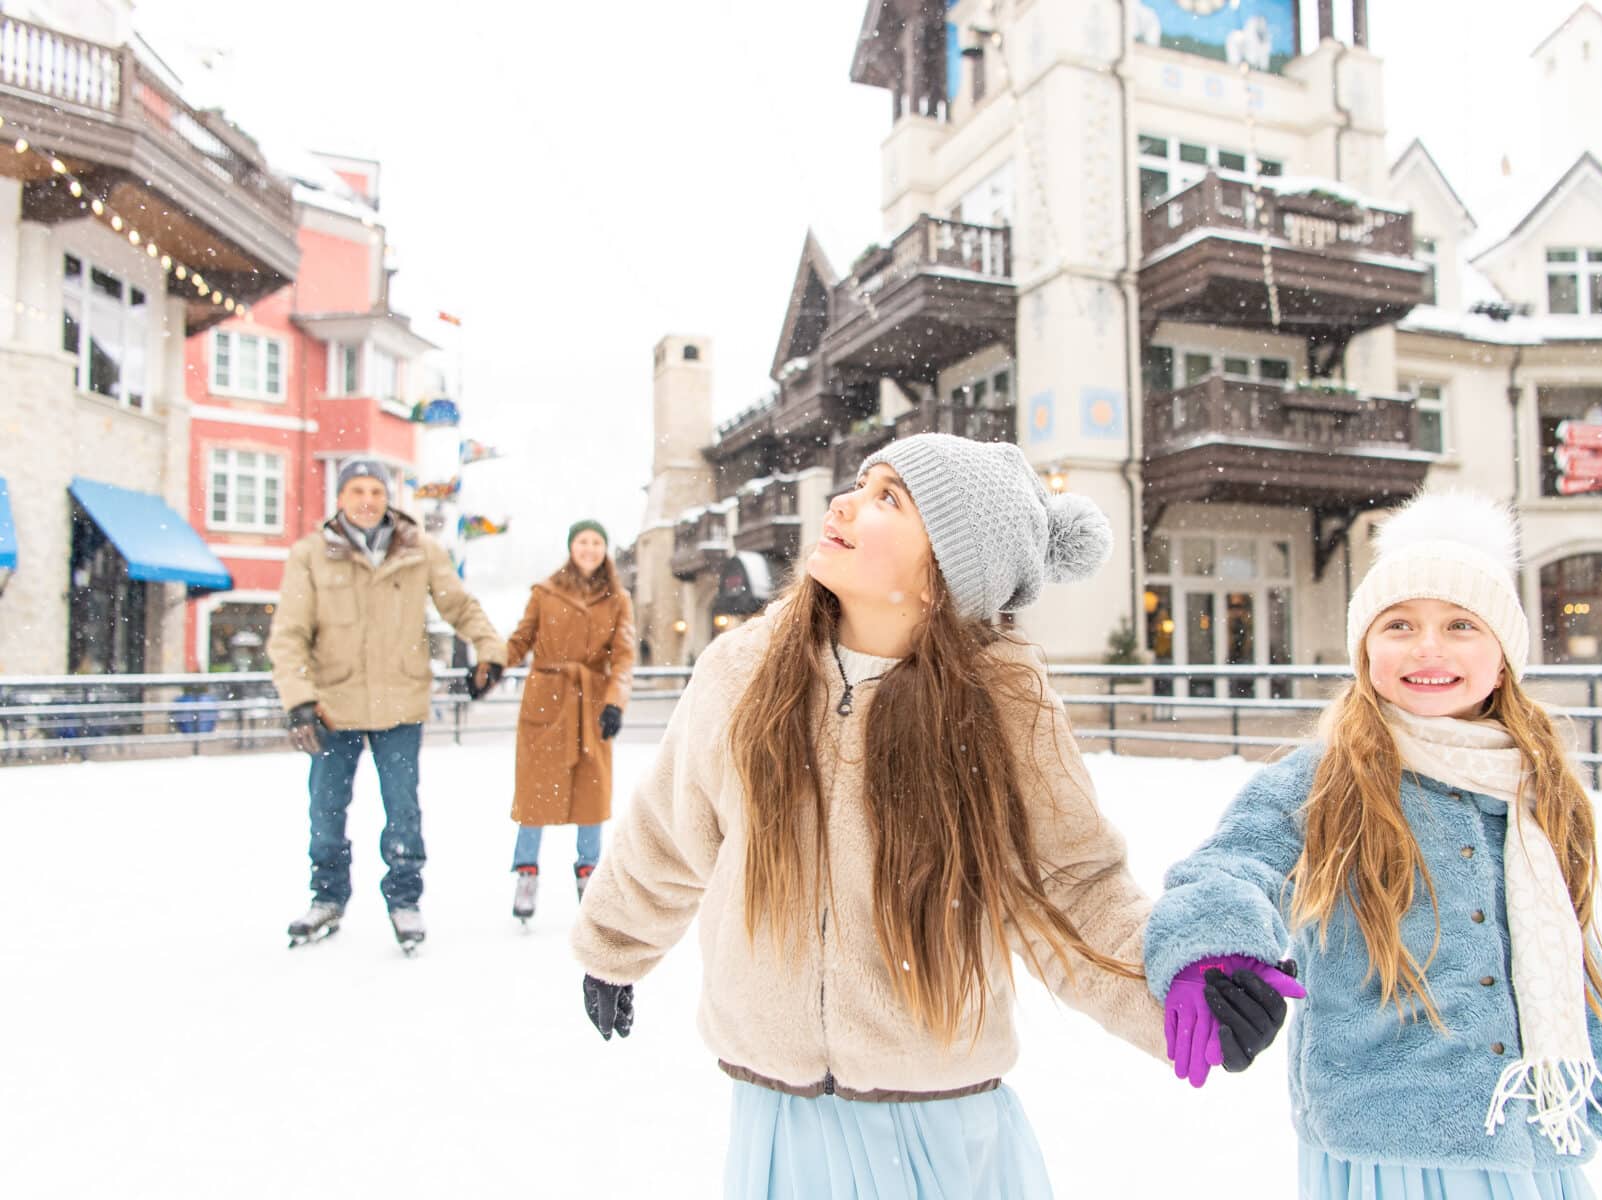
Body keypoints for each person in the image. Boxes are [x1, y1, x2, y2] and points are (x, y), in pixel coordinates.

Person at [573, 434, 1167, 1197]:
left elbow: (1074, 886)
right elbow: (670, 828)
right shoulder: (743, 671)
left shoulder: (1001, 701)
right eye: (860, 484)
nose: (845, 503)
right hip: (779, 1115)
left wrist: (1178, 990)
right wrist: (614, 944)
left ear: (942, 576)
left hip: (935, 1127)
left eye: (889, 497)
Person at [1143, 492, 1602, 1200]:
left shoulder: (1533, 790)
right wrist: (1217, 948)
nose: (1428, 647)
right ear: (1366, 651)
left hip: (1536, 1138)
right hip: (1391, 1147)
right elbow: (1229, 867)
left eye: (1461, 624)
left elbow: (1564, 969)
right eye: (1399, 624)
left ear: (1503, 662)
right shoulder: (1326, 777)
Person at [270, 459, 508, 952]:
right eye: (356, 489)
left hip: (400, 704)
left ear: (388, 497)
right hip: (332, 708)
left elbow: (460, 605)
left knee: (402, 810)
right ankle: (328, 897)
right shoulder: (311, 555)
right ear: (340, 498)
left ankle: (405, 900)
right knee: (326, 808)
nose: (366, 499)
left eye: (376, 490)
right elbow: (289, 634)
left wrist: (490, 652)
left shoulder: (419, 551)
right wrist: (299, 699)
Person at [502, 519, 635, 922]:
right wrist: (490, 666)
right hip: (547, 700)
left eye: (597, 542)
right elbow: (521, 639)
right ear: (571, 547)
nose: (589, 549)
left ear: (605, 548)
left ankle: (588, 872)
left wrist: (615, 702)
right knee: (534, 790)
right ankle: (526, 872)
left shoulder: (618, 599)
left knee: (591, 790)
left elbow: (625, 655)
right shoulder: (545, 593)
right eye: (583, 542)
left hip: (591, 702)